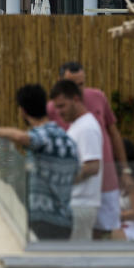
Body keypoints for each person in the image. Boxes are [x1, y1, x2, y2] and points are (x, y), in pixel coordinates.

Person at [0, 84, 79, 240]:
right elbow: (77, 173)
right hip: (66, 220)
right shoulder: (67, 139)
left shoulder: (42, 135)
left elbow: (24, 138)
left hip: (43, 220)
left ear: (22, 111)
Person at [48, 61, 126, 235]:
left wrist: (125, 171)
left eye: (81, 84)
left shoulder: (97, 100)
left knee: (110, 229)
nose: (78, 89)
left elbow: (114, 134)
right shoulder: (55, 109)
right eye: (73, 84)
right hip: (78, 193)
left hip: (103, 181)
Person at [49, 80, 103, 241]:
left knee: (76, 258)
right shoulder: (78, 126)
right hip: (75, 204)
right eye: (56, 107)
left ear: (76, 99)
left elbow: (93, 166)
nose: (58, 112)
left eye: (62, 106)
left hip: (81, 205)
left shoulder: (86, 128)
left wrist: (63, 179)